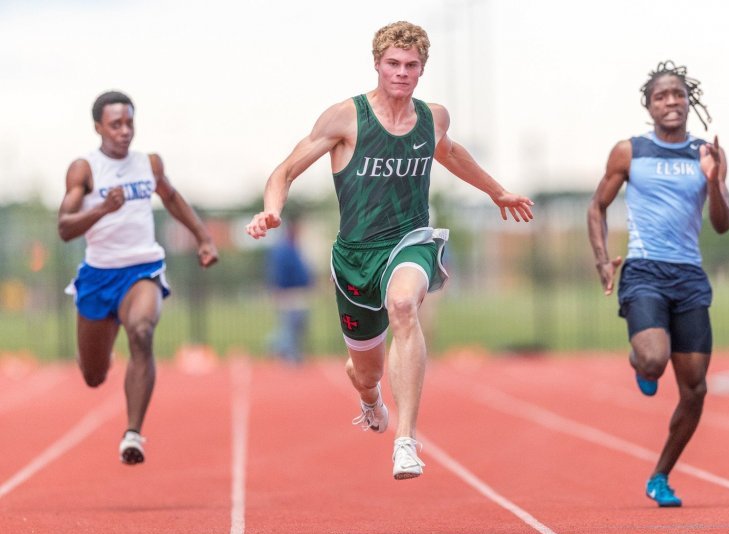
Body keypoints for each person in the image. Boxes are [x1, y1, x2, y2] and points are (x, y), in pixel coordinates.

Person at [246, 21, 533, 480]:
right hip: (357, 257)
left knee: (403, 305)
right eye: (393, 64)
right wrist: (271, 212)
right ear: (377, 65)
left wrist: (497, 192)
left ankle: (406, 441)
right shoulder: (345, 117)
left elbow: (452, 153)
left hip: (410, 241)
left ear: (422, 69)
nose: (401, 72)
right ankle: (369, 398)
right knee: (366, 371)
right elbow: (284, 171)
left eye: (411, 65)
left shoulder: (432, 116)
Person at [587, 61, 729, 506]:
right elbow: (597, 206)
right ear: (649, 106)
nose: (670, 101)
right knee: (654, 359)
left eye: (677, 95)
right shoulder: (629, 152)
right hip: (646, 269)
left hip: (688, 275)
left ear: (688, 102)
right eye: (661, 96)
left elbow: (723, 224)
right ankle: (641, 365)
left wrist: (714, 180)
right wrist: (602, 260)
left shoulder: (706, 153)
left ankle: (660, 476)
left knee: (696, 389)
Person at [58, 91, 218, 465]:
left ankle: (133, 433)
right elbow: (65, 228)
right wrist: (102, 208)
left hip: (142, 268)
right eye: (116, 124)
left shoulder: (149, 164)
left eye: (129, 122)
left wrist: (204, 238)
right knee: (94, 376)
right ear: (98, 127)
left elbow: (173, 198)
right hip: (98, 276)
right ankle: (105, 342)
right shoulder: (84, 169)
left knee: (143, 333)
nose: (125, 131)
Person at [265, 220, 314, 364]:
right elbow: (279, 272)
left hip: (298, 291)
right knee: (288, 326)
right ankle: (284, 352)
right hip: (288, 292)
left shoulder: (294, 247)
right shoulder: (283, 249)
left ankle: (288, 351)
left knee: (297, 326)